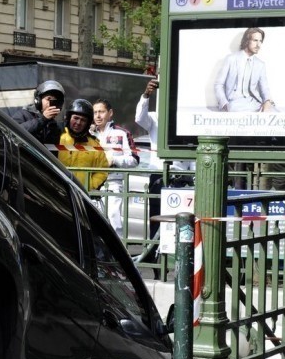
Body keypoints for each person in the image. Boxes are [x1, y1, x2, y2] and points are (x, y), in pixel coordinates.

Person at [135, 78, 195, 240]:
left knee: (181, 222)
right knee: (157, 219)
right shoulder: (156, 118)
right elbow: (139, 118)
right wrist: (146, 95)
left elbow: (193, 156)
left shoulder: (188, 122)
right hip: (159, 176)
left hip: (183, 180)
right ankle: (155, 257)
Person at [91, 98, 139, 237]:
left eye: (101, 112)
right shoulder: (88, 133)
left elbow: (134, 160)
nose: (98, 116)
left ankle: (119, 254)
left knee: (113, 217)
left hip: (113, 182)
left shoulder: (121, 133)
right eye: (95, 112)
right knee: (94, 220)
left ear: (110, 113)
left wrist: (114, 160)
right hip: (91, 182)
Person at [214, 27, 276, 113]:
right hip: (234, 103)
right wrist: (225, 104)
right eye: (255, 40)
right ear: (246, 41)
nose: (258, 45)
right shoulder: (231, 59)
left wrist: (267, 101)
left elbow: (264, 88)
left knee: (274, 113)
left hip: (254, 102)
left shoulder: (260, 64)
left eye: (260, 41)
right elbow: (218, 84)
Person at [57, 98, 109, 191]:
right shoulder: (57, 137)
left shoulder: (94, 145)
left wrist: (89, 186)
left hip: (80, 196)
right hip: (57, 190)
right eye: (76, 118)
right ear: (69, 118)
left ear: (88, 123)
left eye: (83, 120)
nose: (78, 123)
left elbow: (102, 171)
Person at [11, 79, 64, 144]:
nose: (51, 103)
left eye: (55, 101)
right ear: (38, 100)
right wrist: (43, 119)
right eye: (49, 99)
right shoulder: (22, 115)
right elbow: (14, 132)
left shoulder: (55, 127)